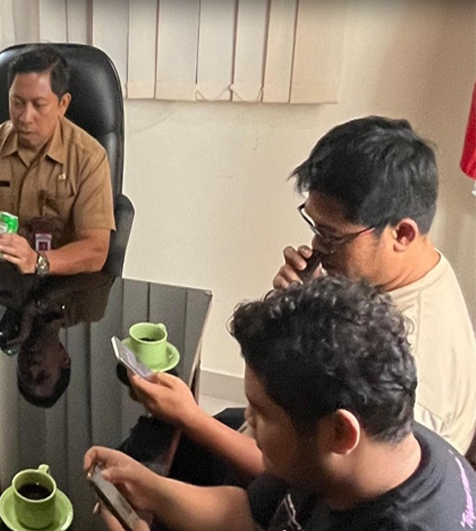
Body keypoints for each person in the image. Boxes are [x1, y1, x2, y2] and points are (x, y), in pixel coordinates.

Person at [88, 276, 476, 531]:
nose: (247, 423)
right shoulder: (385, 438)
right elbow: (253, 522)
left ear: (339, 433)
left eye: (262, 413)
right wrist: (149, 487)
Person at [131, 117, 476, 480]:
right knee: (153, 441)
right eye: (315, 227)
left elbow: (309, 478)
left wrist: (192, 418)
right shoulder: (413, 273)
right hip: (285, 438)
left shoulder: (415, 362)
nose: (316, 247)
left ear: (402, 234)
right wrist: (306, 306)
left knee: (158, 458)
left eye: (332, 236)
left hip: (287, 489)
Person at [0, 44, 115, 278]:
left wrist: (38, 261)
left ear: (62, 104)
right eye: (17, 103)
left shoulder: (88, 157)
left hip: (60, 282)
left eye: (38, 105)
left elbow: (95, 249)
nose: (25, 117)